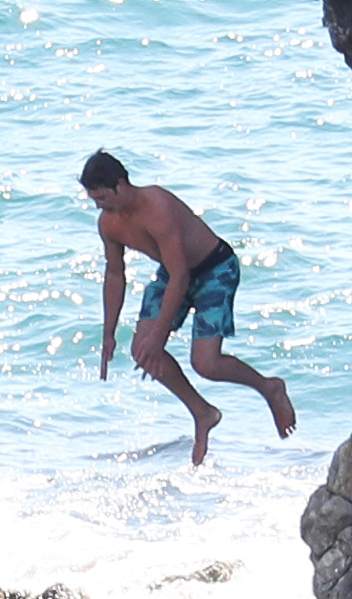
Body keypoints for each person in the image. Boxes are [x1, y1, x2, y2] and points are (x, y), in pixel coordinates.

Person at [82, 151, 295, 465]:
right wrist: (108, 334)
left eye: (102, 198)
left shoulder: (157, 207)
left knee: (206, 364)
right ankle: (203, 413)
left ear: (121, 184)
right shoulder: (109, 224)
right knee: (142, 349)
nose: (99, 206)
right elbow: (115, 274)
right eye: (93, 200)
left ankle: (270, 388)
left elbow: (182, 275)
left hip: (214, 269)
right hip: (172, 273)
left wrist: (159, 337)